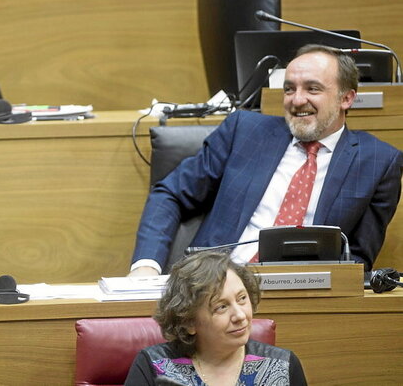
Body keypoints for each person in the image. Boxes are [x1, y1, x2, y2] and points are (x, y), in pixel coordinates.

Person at [130, 45, 402, 277]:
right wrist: (146, 267)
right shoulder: (245, 131)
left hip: (303, 292)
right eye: (289, 88)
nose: (297, 100)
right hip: (214, 284)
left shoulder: (379, 162)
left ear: (347, 98)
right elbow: (171, 193)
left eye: (312, 89)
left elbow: (357, 262)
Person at [125, 251, 308, 385]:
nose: (240, 315)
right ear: (189, 321)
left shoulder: (283, 365)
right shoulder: (154, 365)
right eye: (221, 307)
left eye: (242, 299)